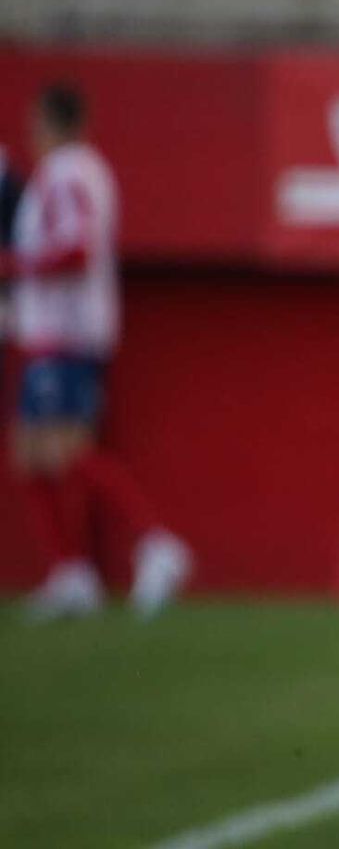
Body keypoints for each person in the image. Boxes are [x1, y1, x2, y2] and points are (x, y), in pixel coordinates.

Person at [9, 82, 192, 621]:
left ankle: (155, 541)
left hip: (66, 332)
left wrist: (14, 265)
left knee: (66, 450)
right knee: (29, 452)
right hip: (52, 331)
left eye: (35, 122)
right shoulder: (75, 172)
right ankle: (70, 573)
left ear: (51, 122)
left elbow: (75, 249)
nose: (30, 133)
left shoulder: (68, 173)